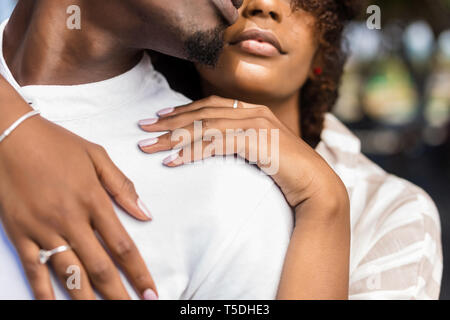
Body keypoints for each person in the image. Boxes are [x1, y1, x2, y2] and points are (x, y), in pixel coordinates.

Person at [0, 0, 442, 300]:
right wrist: (15, 130)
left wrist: (325, 201)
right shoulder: (137, 120)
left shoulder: (384, 208)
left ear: (323, 50)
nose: (258, 5)